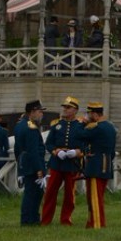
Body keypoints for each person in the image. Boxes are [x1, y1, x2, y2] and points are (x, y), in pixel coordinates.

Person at [41, 96, 85, 226]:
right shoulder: (57, 124)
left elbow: (85, 145)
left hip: (72, 163)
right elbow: (49, 144)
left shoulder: (81, 126)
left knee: (69, 194)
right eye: (64, 107)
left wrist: (77, 152)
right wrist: (56, 151)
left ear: (75, 110)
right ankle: (45, 219)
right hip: (57, 162)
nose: (65, 110)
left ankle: (66, 219)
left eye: (68, 107)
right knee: (50, 192)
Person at [75, 101, 117, 229]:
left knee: (94, 198)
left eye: (89, 114)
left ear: (94, 114)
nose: (88, 116)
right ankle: (92, 222)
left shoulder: (97, 127)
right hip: (106, 163)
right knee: (97, 196)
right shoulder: (110, 127)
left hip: (96, 165)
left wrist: (82, 123)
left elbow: (79, 135)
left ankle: (97, 224)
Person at [14, 100, 47, 226]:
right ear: (32, 112)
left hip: (24, 162)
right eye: (39, 111)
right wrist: (39, 168)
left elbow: (17, 149)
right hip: (33, 163)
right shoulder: (31, 127)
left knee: (30, 192)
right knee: (34, 193)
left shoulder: (19, 125)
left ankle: (28, 218)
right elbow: (34, 150)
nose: (41, 114)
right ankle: (30, 219)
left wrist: (20, 163)